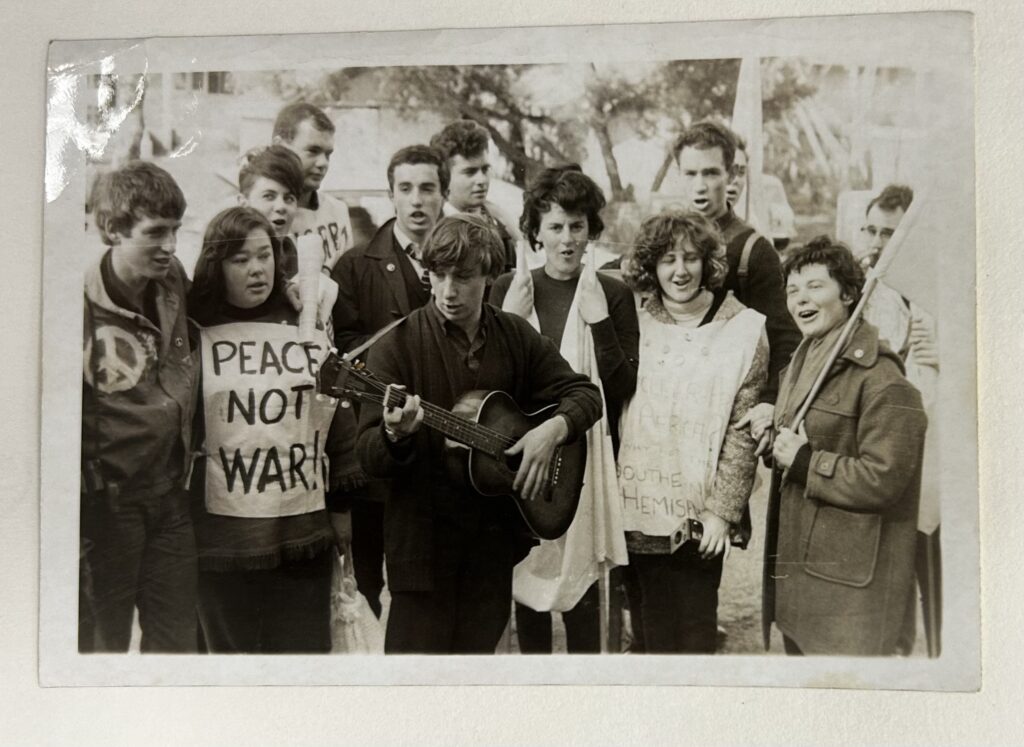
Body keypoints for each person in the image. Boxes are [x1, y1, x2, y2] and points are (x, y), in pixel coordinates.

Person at [356, 214, 603, 654]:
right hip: (422, 556)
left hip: (491, 549)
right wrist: (395, 436)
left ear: (489, 275)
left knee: (477, 686)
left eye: (464, 277)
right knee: (415, 693)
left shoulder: (514, 335)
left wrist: (551, 431)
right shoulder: (395, 345)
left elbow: (585, 393)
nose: (448, 291)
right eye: (439, 275)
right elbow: (368, 455)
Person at [187, 207, 353, 653]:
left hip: (302, 535)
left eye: (264, 256)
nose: (257, 269)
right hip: (222, 544)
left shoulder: (304, 319)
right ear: (215, 265)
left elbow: (334, 413)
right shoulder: (192, 327)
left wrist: (341, 506)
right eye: (240, 260)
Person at [490, 165, 636, 654]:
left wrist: (598, 324)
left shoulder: (611, 293)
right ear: (536, 231)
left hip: (586, 455)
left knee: (582, 592)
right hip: (524, 451)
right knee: (528, 580)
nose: (567, 239)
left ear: (592, 229)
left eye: (577, 226)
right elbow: (492, 390)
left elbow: (620, 389)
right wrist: (509, 319)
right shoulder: (512, 287)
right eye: (555, 227)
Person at [765, 237, 927, 655]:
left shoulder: (883, 379)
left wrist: (804, 461)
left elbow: (884, 478)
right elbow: (798, 443)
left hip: (851, 602)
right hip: (803, 589)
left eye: (815, 286)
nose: (801, 298)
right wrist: (773, 437)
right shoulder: (804, 359)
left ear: (850, 294)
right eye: (793, 290)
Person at [617, 209, 768, 653]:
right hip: (640, 508)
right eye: (667, 260)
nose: (679, 271)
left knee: (695, 632)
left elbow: (742, 431)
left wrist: (722, 511)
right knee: (649, 630)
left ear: (708, 263)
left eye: (690, 258)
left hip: (701, 518)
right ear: (651, 267)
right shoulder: (636, 324)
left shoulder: (743, 330)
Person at [81, 160, 198, 652]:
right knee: (99, 647)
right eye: (155, 233)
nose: (170, 247)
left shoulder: (172, 280)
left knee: (175, 647)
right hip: (109, 504)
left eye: (175, 231)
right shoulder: (77, 305)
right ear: (113, 230)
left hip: (171, 495)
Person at [329, 144, 449, 617]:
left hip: (443, 449)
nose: (417, 200)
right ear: (391, 194)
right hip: (378, 444)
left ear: (443, 194)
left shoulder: (463, 262)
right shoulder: (355, 267)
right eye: (406, 189)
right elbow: (348, 353)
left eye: (428, 188)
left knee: (432, 584)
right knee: (370, 580)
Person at [672, 121, 800, 454]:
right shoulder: (664, 240)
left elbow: (785, 338)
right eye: (690, 174)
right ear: (678, 175)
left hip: (726, 415)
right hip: (669, 409)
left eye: (711, 173)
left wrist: (771, 401)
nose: (700, 186)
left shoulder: (753, 250)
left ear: (730, 175)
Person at [854, 184, 941, 655]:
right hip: (879, 458)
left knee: (936, 575)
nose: (877, 243)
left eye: (890, 233)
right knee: (887, 588)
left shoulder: (945, 295)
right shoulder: (858, 296)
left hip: (933, 465)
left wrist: (953, 357)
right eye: (870, 229)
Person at [430, 119, 519, 273]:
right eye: (470, 172)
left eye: (485, 170)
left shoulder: (502, 229)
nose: (482, 180)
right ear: (445, 176)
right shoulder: (430, 229)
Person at [272, 102, 353, 270]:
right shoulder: (252, 212)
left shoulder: (337, 211)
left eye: (328, 154)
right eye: (312, 151)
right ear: (279, 147)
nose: (323, 163)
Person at [237, 144, 306, 276]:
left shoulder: (293, 255)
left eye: (289, 198)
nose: (281, 207)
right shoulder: (230, 260)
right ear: (244, 203)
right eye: (269, 196)